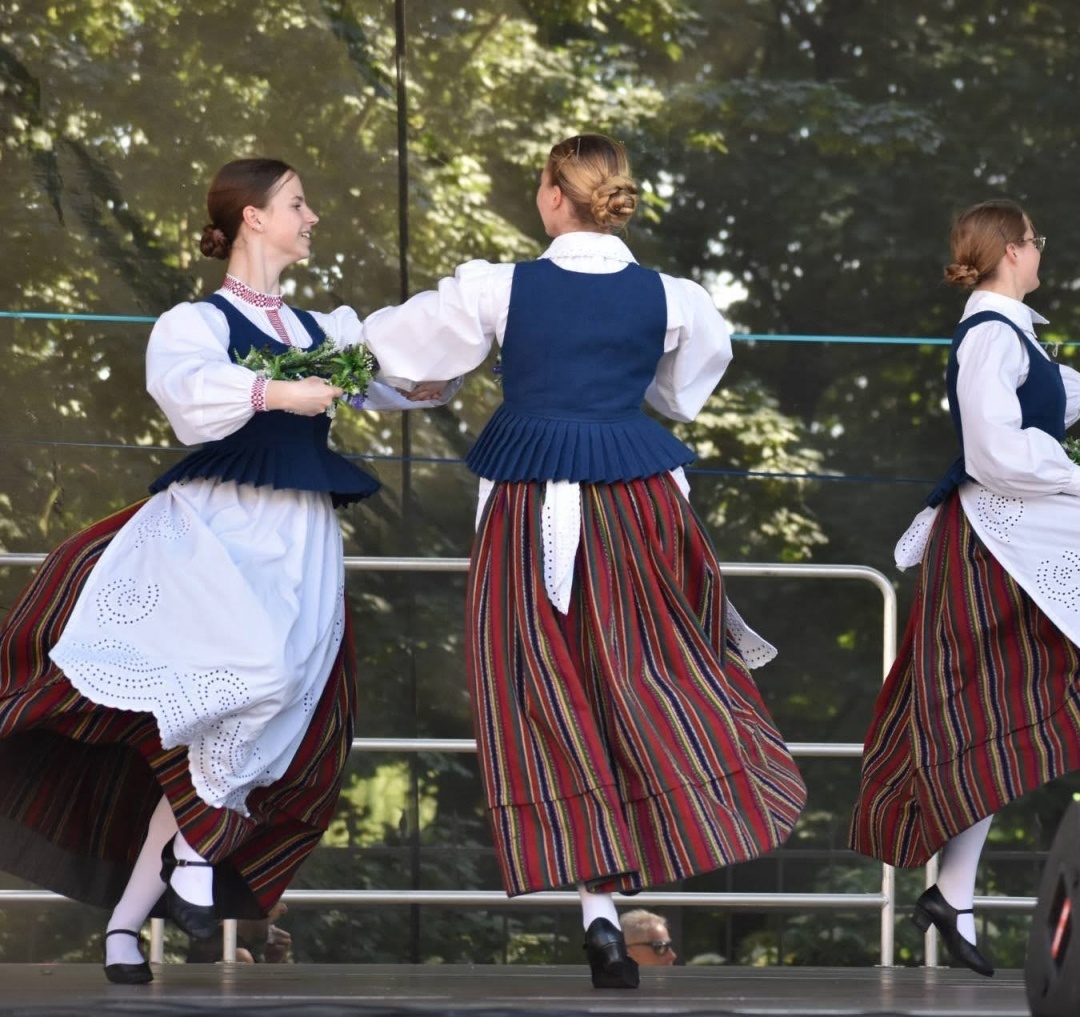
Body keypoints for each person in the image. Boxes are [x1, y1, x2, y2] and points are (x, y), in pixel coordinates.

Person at [360, 132, 806, 990]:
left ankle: (599, 911)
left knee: (542, 688)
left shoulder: (498, 289)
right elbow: (680, 393)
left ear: (553, 196)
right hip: (637, 501)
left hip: (527, 505)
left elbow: (403, 352)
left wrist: (336, 355)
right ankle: (632, 876)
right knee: (652, 676)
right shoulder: (674, 299)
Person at [0, 158, 454, 985]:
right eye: (297, 203)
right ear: (252, 216)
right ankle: (188, 865)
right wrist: (279, 393)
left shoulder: (323, 330)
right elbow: (187, 394)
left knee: (241, 733)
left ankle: (129, 921)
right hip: (217, 536)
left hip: (299, 543)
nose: (311, 217)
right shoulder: (198, 322)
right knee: (259, 679)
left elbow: (396, 374)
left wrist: (447, 351)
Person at [848, 199, 1080, 976]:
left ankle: (954, 894)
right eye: (1036, 240)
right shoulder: (989, 335)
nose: (1040, 251)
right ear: (1012, 249)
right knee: (993, 708)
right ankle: (954, 888)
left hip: (1010, 539)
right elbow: (994, 448)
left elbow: (1040, 396)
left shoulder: (1007, 332)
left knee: (995, 713)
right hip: (992, 542)